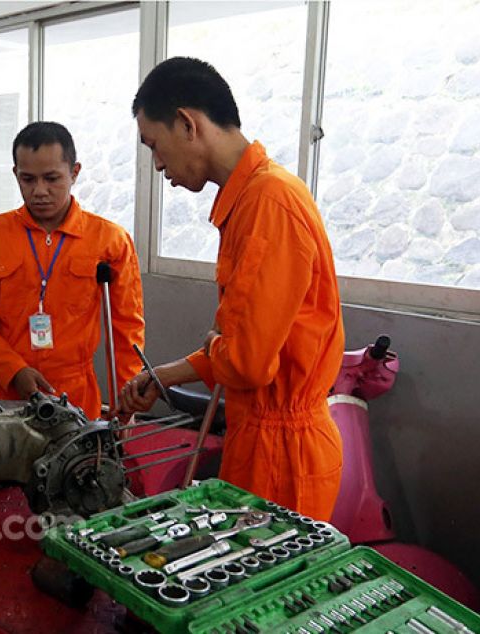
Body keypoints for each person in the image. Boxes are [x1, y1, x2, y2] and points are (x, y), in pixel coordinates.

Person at [119, 57, 345, 520]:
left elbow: (246, 362)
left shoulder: (270, 203)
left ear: (187, 124)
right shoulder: (247, 202)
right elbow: (239, 349)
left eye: (154, 146)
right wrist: (164, 375)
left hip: (283, 454)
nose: (158, 164)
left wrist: (220, 347)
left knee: (269, 587)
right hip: (261, 438)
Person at [0, 121, 146, 421]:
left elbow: (125, 328)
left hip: (76, 394)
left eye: (52, 178)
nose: (39, 191)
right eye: (28, 179)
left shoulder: (110, 240)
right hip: (7, 395)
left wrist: (127, 397)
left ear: (74, 172)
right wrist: (13, 370)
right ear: (15, 175)